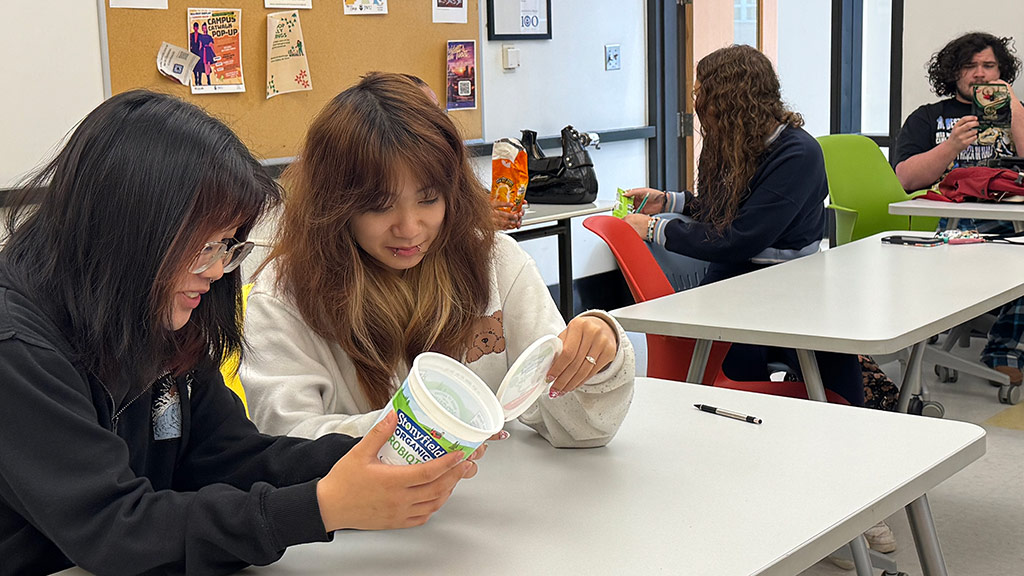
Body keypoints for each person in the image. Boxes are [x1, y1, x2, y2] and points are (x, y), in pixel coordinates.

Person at [0, 90, 480, 575]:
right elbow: (116, 528)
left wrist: (389, 455)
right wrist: (321, 507)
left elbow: (229, 456)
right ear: (129, 231)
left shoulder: (147, 309)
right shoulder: (18, 348)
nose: (215, 271)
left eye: (227, 246)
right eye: (202, 246)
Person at [239, 72, 634, 447]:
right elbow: (287, 442)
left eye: (428, 199)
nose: (409, 228)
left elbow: (575, 424)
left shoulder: (495, 264)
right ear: (334, 206)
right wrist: (423, 425)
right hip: (363, 518)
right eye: (379, 206)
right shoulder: (285, 296)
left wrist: (599, 358)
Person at [623, 44, 894, 562]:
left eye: (704, 94)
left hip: (795, 289)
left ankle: (860, 498)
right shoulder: (730, 142)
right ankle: (766, 492)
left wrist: (655, 228)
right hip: (736, 289)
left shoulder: (797, 152)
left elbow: (739, 236)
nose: (698, 103)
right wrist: (671, 202)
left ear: (730, 100)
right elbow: (724, 208)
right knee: (741, 391)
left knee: (833, 376)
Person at [894, 32, 1024, 387]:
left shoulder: (1017, 113)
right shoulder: (928, 118)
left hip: (1012, 221)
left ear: (1003, 72)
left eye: (988, 66)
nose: (980, 74)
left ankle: (1003, 351)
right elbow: (904, 179)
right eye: (970, 66)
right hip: (949, 223)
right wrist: (951, 146)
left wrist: (1011, 106)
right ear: (954, 72)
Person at [401, 72, 525, 231]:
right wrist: (476, 218)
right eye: (428, 114)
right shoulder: (401, 163)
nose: (439, 121)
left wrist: (495, 206)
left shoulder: (446, 152)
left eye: (439, 112)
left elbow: (463, 195)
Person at [190, 21, 215, 86]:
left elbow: (211, 45)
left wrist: (213, 54)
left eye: (205, 28)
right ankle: (197, 81)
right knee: (197, 68)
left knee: (205, 67)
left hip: (205, 52)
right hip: (197, 53)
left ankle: (206, 81)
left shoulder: (204, 36)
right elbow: (198, 45)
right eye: (203, 28)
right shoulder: (192, 35)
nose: (204, 29)